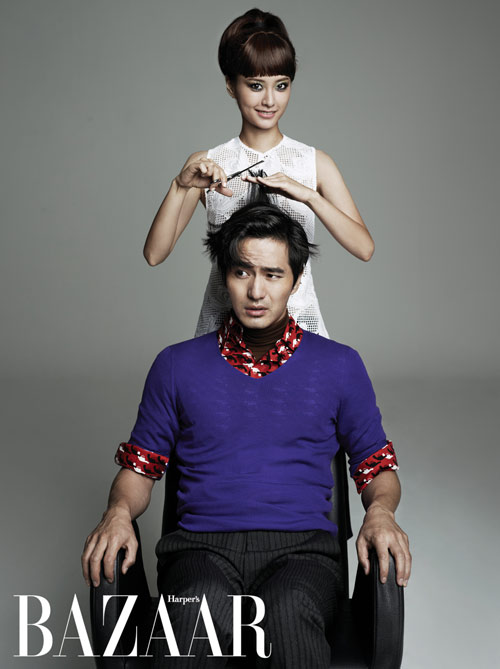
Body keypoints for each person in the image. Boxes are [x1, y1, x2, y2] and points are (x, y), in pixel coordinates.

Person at [82, 202, 411, 668]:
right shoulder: (175, 365)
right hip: (199, 551)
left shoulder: (340, 365)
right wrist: (117, 512)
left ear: (296, 281)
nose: (256, 291)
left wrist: (380, 511)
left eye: (273, 275)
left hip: (303, 555)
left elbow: (377, 468)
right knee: (193, 615)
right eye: (243, 272)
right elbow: (140, 468)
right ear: (225, 277)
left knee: (288, 614)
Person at [143, 8, 375, 337]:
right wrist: (179, 186)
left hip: (298, 330)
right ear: (230, 85)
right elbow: (154, 255)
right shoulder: (209, 163)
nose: (269, 100)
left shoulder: (315, 163)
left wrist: (308, 195)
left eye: (281, 85)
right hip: (223, 332)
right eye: (255, 85)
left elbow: (364, 249)